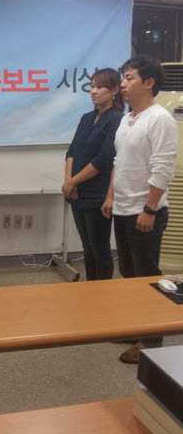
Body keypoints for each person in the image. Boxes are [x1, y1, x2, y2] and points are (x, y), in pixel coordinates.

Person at [101, 55, 178, 364]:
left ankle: (152, 342)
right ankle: (138, 328)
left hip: (145, 211)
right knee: (129, 273)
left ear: (149, 82)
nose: (122, 84)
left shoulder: (160, 119)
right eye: (123, 77)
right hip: (123, 208)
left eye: (129, 78)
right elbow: (118, 162)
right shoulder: (127, 118)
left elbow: (163, 169)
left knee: (146, 277)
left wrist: (150, 209)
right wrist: (110, 197)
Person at [62, 68, 124, 281]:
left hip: (97, 195)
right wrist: (69, 184)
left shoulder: (117, 119)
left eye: (100, 87)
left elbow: (104, 160)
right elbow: (71, 152)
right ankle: (90, 290)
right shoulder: (86, 118)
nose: (94, 91)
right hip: (76, 193)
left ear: (114, 90)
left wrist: (72, 182)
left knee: (100, 248)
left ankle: (103, 293)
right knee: (87, 247)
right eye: (92, 86)